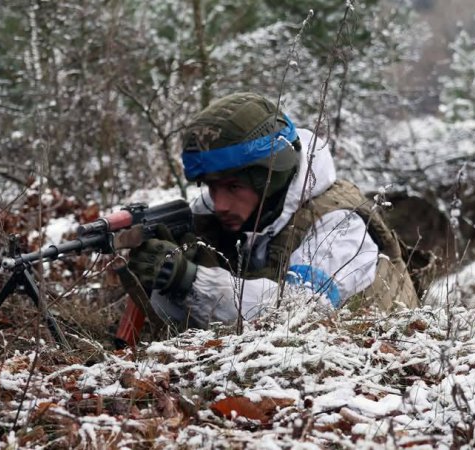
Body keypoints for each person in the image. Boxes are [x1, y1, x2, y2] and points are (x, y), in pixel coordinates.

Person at [128, 92, 419, 329]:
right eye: (211, 187)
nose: (219, 204)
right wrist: (162, 273)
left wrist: (190, 279)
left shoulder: (339, 226)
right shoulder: (219, 211)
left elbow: (298, 315)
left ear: (269, 177)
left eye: (233, 187)